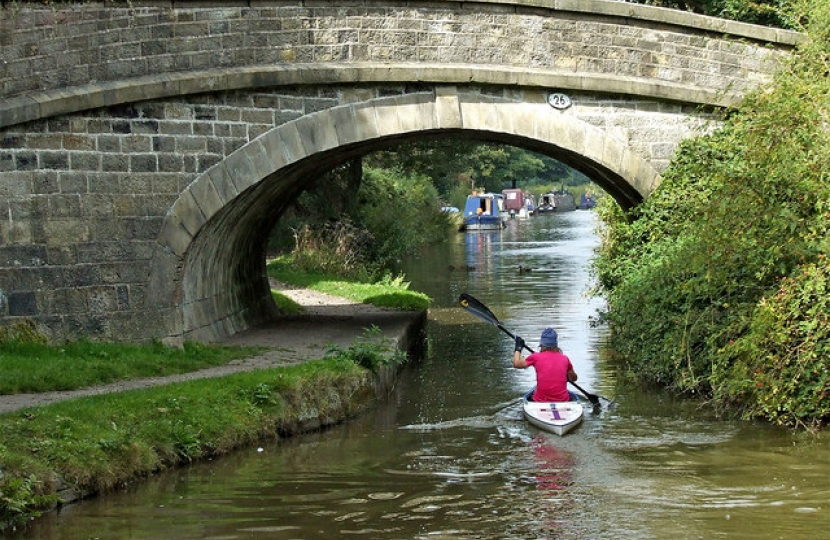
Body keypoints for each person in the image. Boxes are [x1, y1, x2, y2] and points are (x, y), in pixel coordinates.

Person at [512, 327, 578, 402]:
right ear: (556, 344)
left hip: (541, 400)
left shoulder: (535, 357)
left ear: (541, 344)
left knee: (534, 394)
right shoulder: (565, 359)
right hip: (563, 400)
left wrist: (518, 347)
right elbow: (574, 378)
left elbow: (516, 363)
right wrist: (567, 376)